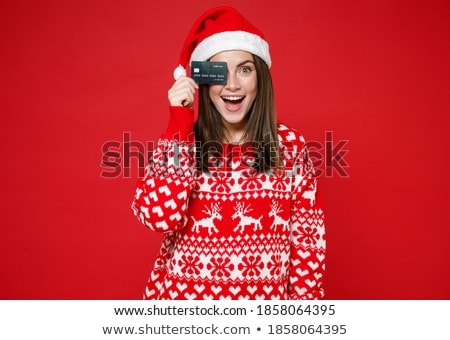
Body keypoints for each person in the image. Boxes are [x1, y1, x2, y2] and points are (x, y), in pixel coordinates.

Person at [131, 6, 326, 299]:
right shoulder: (183, 143)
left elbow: (308, 247)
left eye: (244, 69)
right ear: (204, 81)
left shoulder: (291, 147)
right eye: (220, 71)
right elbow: (158, 218)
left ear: (260, 78)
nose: (232, 85)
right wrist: (179, 125)